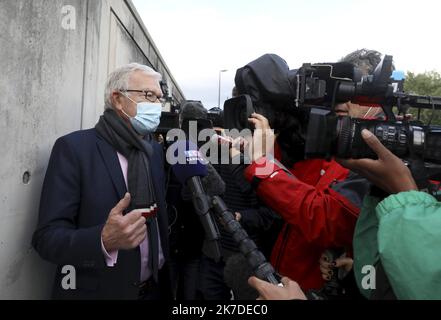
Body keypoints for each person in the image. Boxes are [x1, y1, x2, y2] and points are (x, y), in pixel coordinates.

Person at [32, 63, 171, 300]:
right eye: (148, 95)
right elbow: (47, 238)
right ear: (117, 99)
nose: (157, 105)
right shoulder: (74, 149)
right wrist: (103, 240)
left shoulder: (153, 152)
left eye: (159, 98)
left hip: (153, 290)